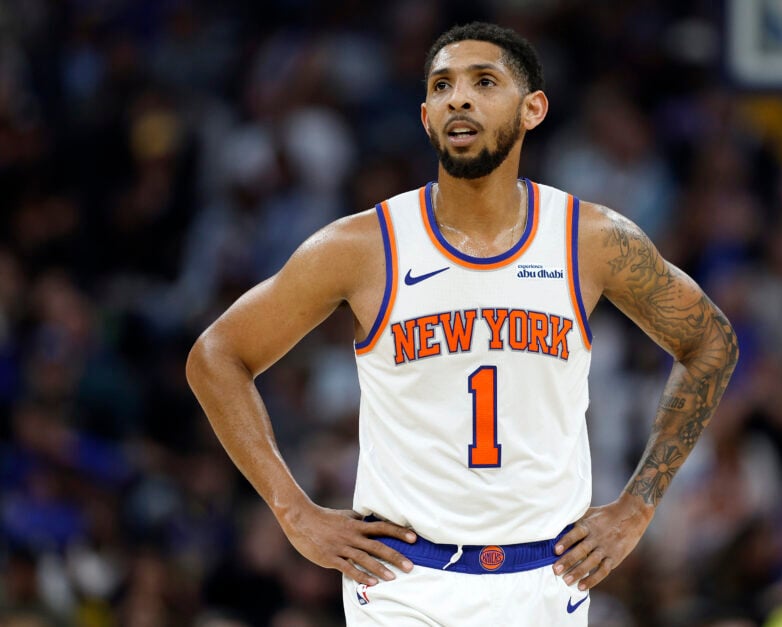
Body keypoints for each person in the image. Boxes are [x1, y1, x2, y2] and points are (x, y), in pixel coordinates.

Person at [186, 22, 739, 626]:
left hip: (546, 583)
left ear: (533, 109)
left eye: (484, 81)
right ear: (426, 117)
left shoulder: (591, 240)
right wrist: (293, 511)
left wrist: (638, 506)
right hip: (405, 585)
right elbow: (217, 355)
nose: (460, 97)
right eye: (442, 85)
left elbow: (710, 342)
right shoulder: (362, 246)